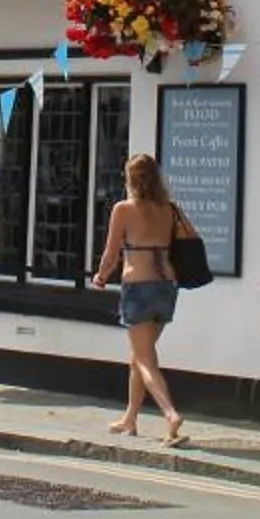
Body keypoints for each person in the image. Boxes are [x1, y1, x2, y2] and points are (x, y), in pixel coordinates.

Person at [89, 151, 195, 446]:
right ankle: (130, 419)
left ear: (130, 179)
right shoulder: (169, 209)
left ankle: (171, 415)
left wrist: (100, 277)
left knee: (145, 359)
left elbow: (111, 255)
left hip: (138, 286)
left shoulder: (123, 209)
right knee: (139, 356)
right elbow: (191, 238)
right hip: (166, 287)